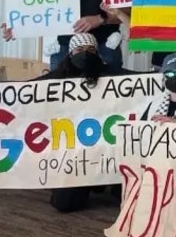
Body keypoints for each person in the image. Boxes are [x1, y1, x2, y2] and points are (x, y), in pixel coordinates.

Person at [36, 33, 137, 213]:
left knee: (125, 199)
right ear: (70, 53)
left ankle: (107, 184)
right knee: (64, 204)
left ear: (97, 53)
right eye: (80, 49)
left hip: (107, 147)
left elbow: (140, 81)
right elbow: (28, 90)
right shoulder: (56, 78)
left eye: (91, 50)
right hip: (73, 151)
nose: (85, 54)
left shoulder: (109, 73)